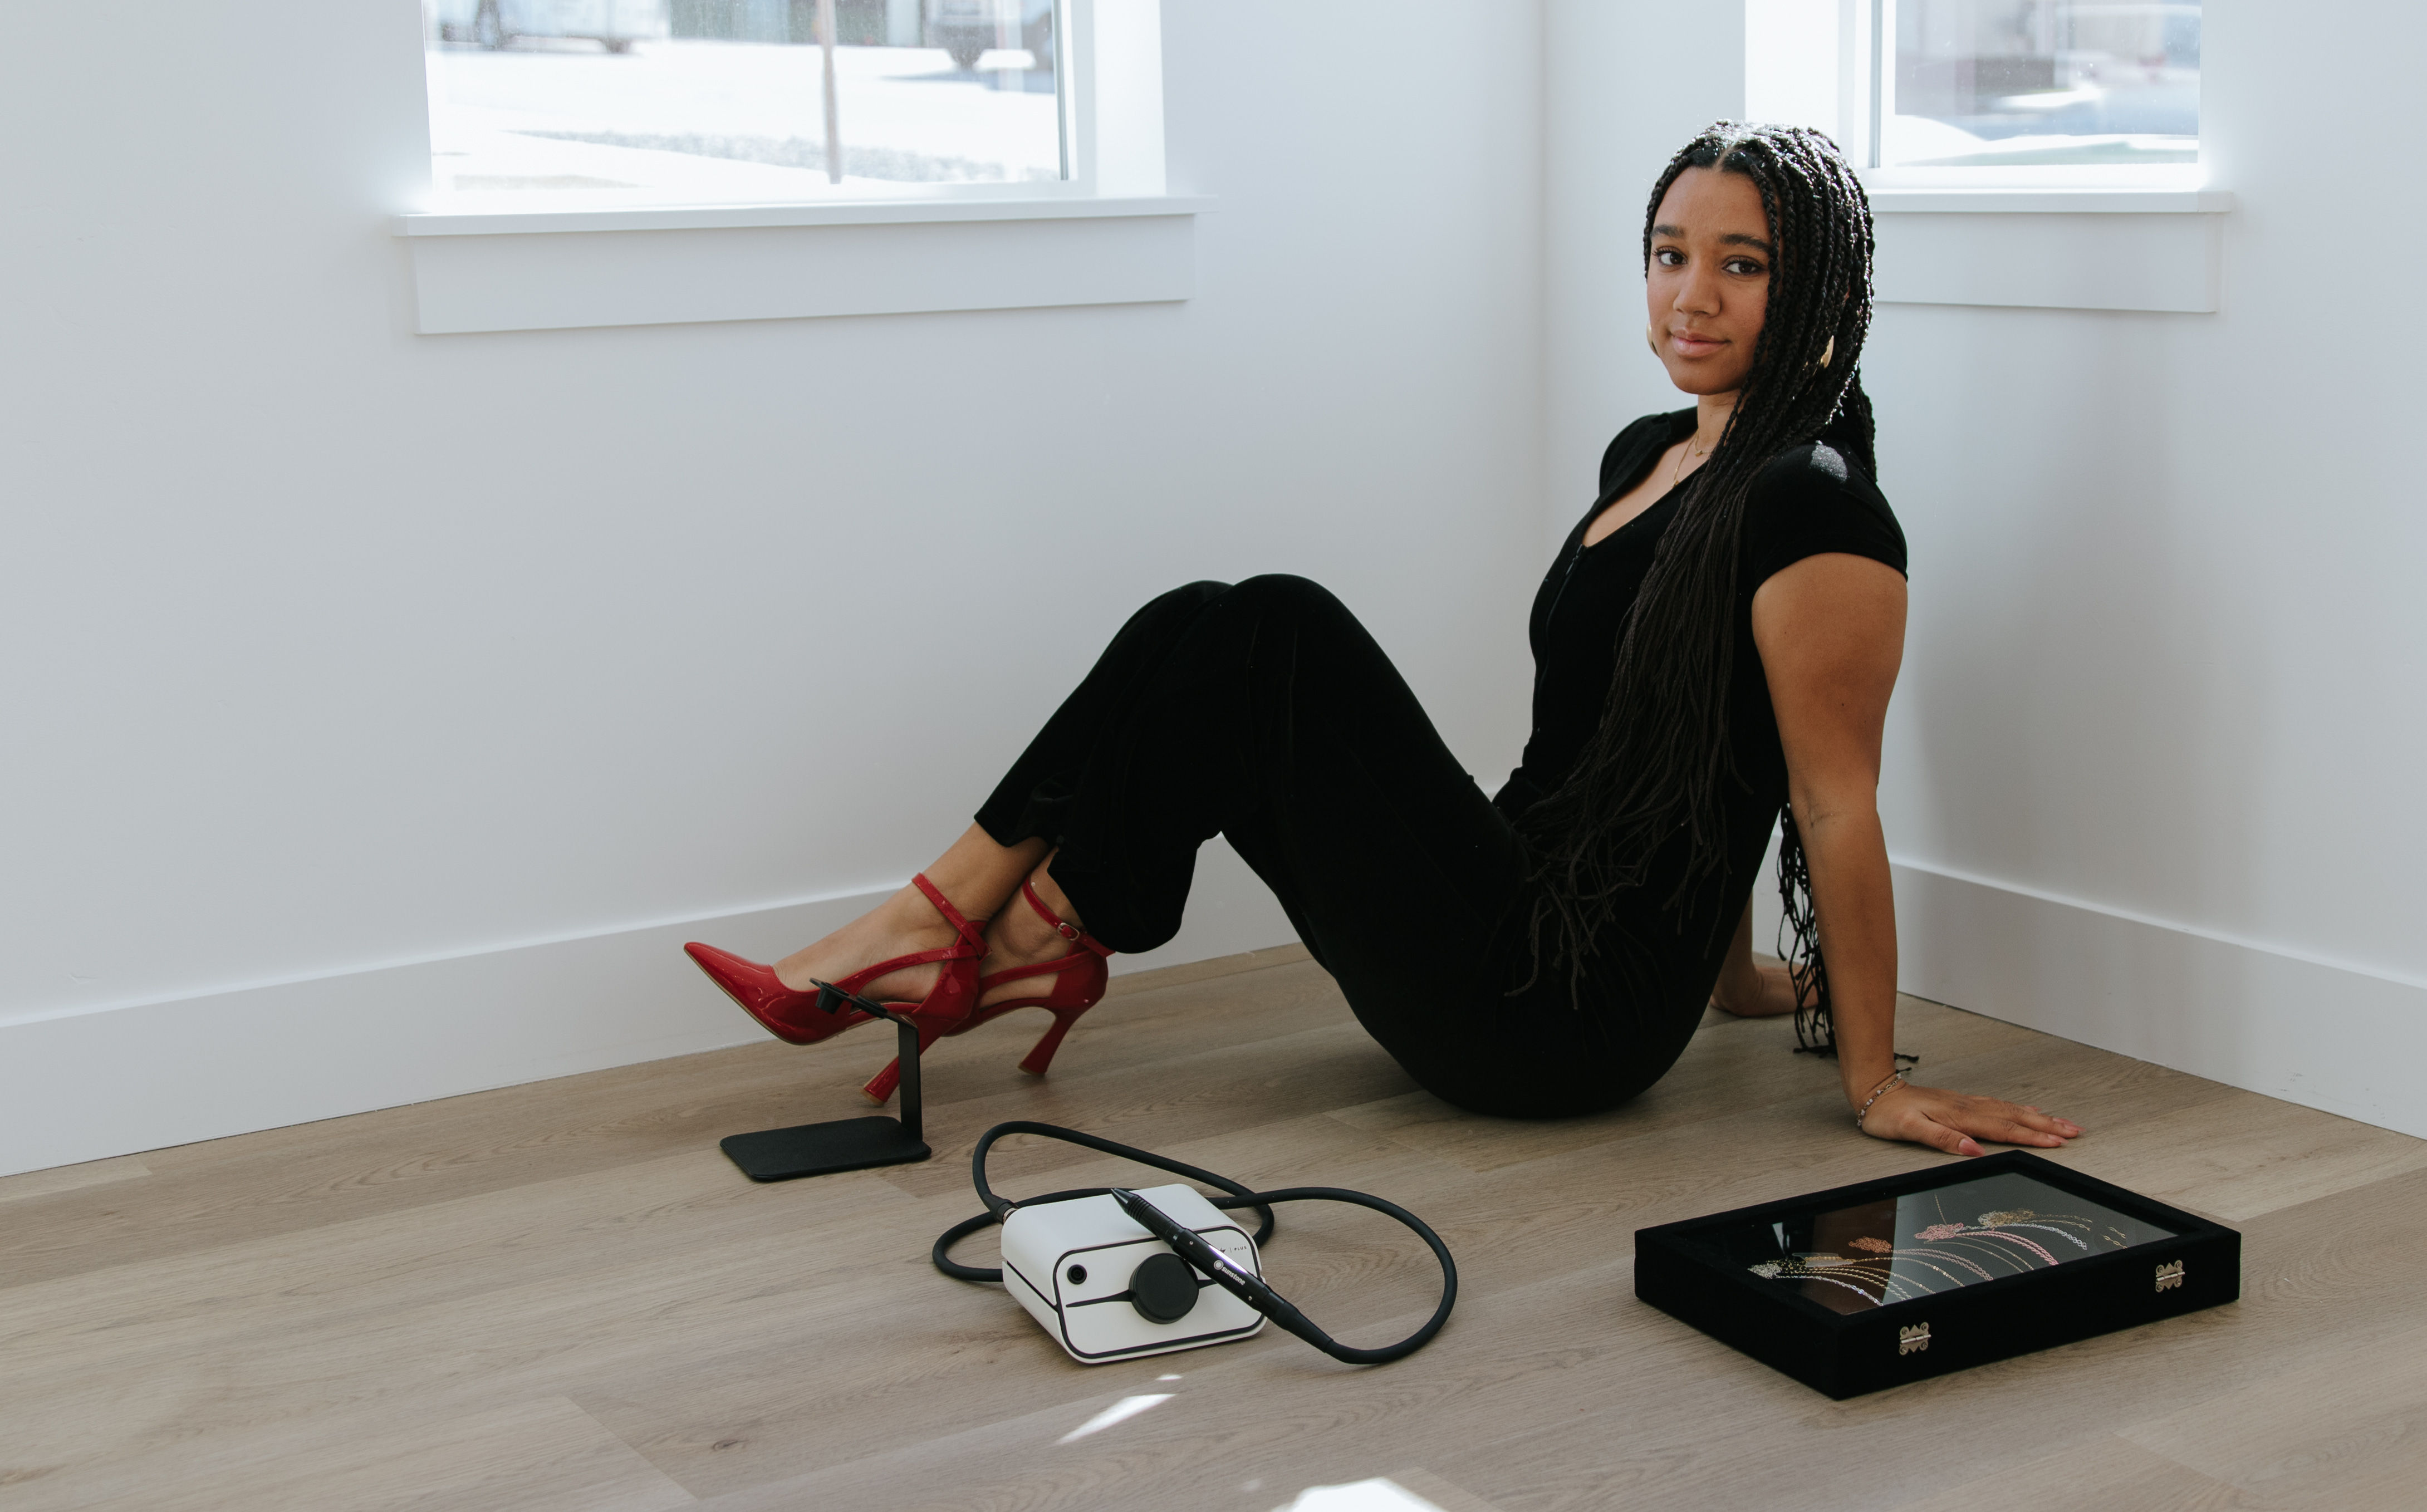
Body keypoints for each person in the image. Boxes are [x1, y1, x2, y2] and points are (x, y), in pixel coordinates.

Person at [685, 122, 2082, 1158]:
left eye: (1741, 265)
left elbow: (1824, 798)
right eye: (1668, 255)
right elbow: (1666, 745)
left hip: (1560, 1013)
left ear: (1820, 292)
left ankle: (965, 935)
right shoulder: (1649, 451)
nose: (1689, 296)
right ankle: (997, 931)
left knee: (1273, 625)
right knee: (1201, 620)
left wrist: (1871, 1081)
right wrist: (1731, 984)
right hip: (1511, 907)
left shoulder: (1818, 510)